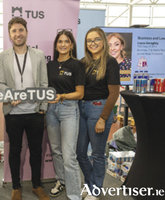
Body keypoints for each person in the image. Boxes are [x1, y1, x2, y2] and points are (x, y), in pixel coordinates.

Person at [0, 17, 49, 200]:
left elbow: (43, 83)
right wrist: (11, 95)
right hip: (13, 113)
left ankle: (36, 185)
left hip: (34, 112)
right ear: (9, 35)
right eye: (14, 31)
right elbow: (0, 83)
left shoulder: (39, 55)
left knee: (36, 151)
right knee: (15, 151)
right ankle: (16, 187)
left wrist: (42, 107)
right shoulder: (3, 56)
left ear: (26, 32)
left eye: (21, 30)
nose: (18, 34)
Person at [76, 27, 120, 200]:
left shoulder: (110, 62)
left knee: (97, 153)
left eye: (96, 39)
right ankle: (90, 183)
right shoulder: (83, 62)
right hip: (82, 108)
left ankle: (95, 189)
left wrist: (102, 118)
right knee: (80, 152)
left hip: (99, 109)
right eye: (89, 41)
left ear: (103, 40)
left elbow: (114, 93)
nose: (93, 43)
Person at [46, 29, 85, 200]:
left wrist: (62, 96)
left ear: (71, 45)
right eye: (60, 41)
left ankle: (74, 194)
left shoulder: (77, 65)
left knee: (69, 155)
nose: (62, 44)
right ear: (56, 45)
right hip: (50, 110)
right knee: (56, 150)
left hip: (69, 108)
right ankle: (60, 180)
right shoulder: (50, 65)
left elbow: (80, 93)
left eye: (66, 41)